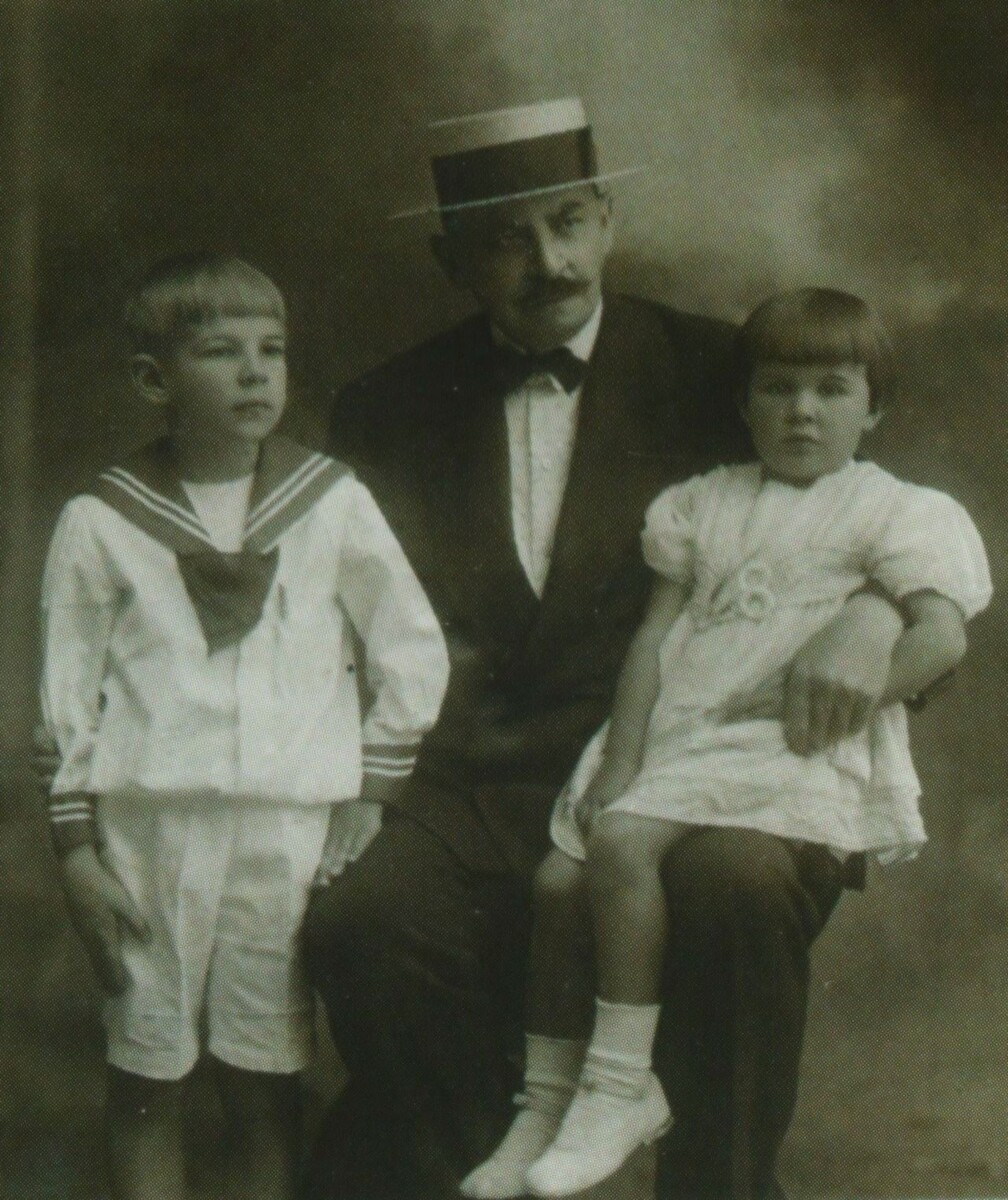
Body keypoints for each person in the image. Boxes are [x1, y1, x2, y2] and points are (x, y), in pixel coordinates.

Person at [303, 100, 924, 1200]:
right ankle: (492, 1178)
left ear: (607, 220)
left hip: (690, 764)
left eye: (567, 223)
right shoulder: (386, 407)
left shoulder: (720, 366)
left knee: (734, 886)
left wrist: (876, 615)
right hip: (470, 778)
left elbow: (856, 512)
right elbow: (331, 623)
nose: (548, 262)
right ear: (451, 260)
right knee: (369, 919)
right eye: (505, 239)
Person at [461, 287, 992, 1199]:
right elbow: (653, 641)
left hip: (778, 751)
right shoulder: (702, 505)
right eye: (778, 389)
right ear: (744, 403)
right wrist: (622, 760)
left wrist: (834, 714)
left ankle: (619, 1086)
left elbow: (941, 638)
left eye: (832, 390)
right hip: (679, 738)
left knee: (624, 847)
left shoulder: (896, 510)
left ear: (877, 409)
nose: (802, 412)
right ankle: (547, 1104)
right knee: (559, 882)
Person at [39, 253, 448, 1200]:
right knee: (147, 1075)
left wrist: (374, 792)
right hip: (148, 832)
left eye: (273, 351)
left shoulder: (332, 501)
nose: (257, 372)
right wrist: (76, 854)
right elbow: (64, 699)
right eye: (222, 353)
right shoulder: (100, 522)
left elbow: (412, 647)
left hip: (286, 832)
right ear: (155, 382)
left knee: (266, 1078)